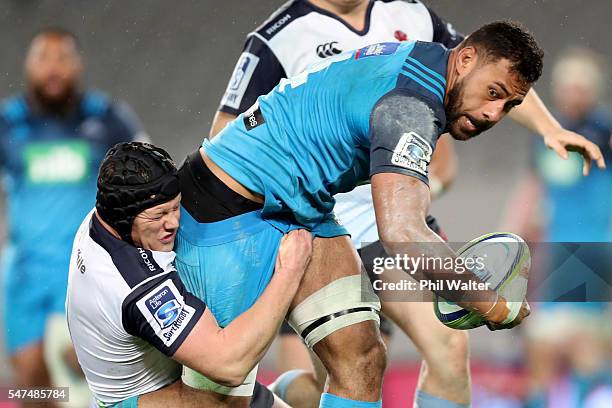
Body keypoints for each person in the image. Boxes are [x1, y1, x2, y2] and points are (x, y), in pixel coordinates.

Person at [175, 20, 606, 408]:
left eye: (508, 106)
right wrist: (492, 304)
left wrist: (549, 127)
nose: (494, 113)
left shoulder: (431, 60)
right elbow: (401, 234)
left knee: (361, 359)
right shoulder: (412, 107)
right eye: (493, 94)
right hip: (227, 205)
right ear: (467, 58)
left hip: (304, 209)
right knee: (214, 392)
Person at [66, 141, 313, 408]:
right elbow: (230, 366)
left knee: (264, 395)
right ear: (122, 218)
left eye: (175, 208)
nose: (172, 223)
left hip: (144, 384)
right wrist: (289, 271)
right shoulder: (136, 285)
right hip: (138, 400)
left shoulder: (107, 213)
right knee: (224, 394)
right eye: (159, 215)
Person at [0, 28, 145, 397]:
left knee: (82, 365)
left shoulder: (108, 119)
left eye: (62, 59)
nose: (53, 69)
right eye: (43, 59)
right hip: (27, 272)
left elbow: (147, 180)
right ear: (28, 66)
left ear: (78, 65)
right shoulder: (8, 123)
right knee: (30, 386)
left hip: (88, 266)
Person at [501, 48, 612, 408]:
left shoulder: (604, 132)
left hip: (591, 248)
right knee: (571, 343)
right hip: (561, 249)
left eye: (580, 86)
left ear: (593, 90)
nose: (571, 93)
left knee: (558, 342)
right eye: (566, 86)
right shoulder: (547, 135)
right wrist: (510, 240)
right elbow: (531, 194)